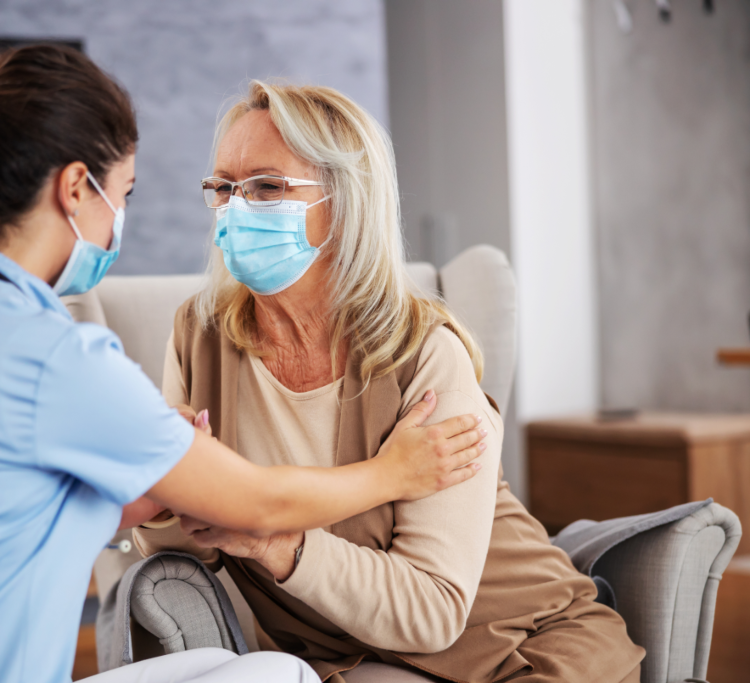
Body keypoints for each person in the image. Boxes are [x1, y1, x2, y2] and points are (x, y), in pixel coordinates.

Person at [0, 46, 488, 683]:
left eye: (265, 188)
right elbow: (259, 503)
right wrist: (393, 472)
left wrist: (156, 494)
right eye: (123, 194)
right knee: (282, 676)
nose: (118, 224)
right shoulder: (51, 355)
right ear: (76, 189)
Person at [132, 81, 646, 683]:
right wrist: (169, 500)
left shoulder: (425, 353)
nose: (237, 208)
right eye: (223, 188)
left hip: (518, 645)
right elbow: (182, 543)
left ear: (345, 203)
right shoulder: (199, 335)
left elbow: (433, 613)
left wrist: (277, 543)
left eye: (267, 187)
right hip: (344, 655)